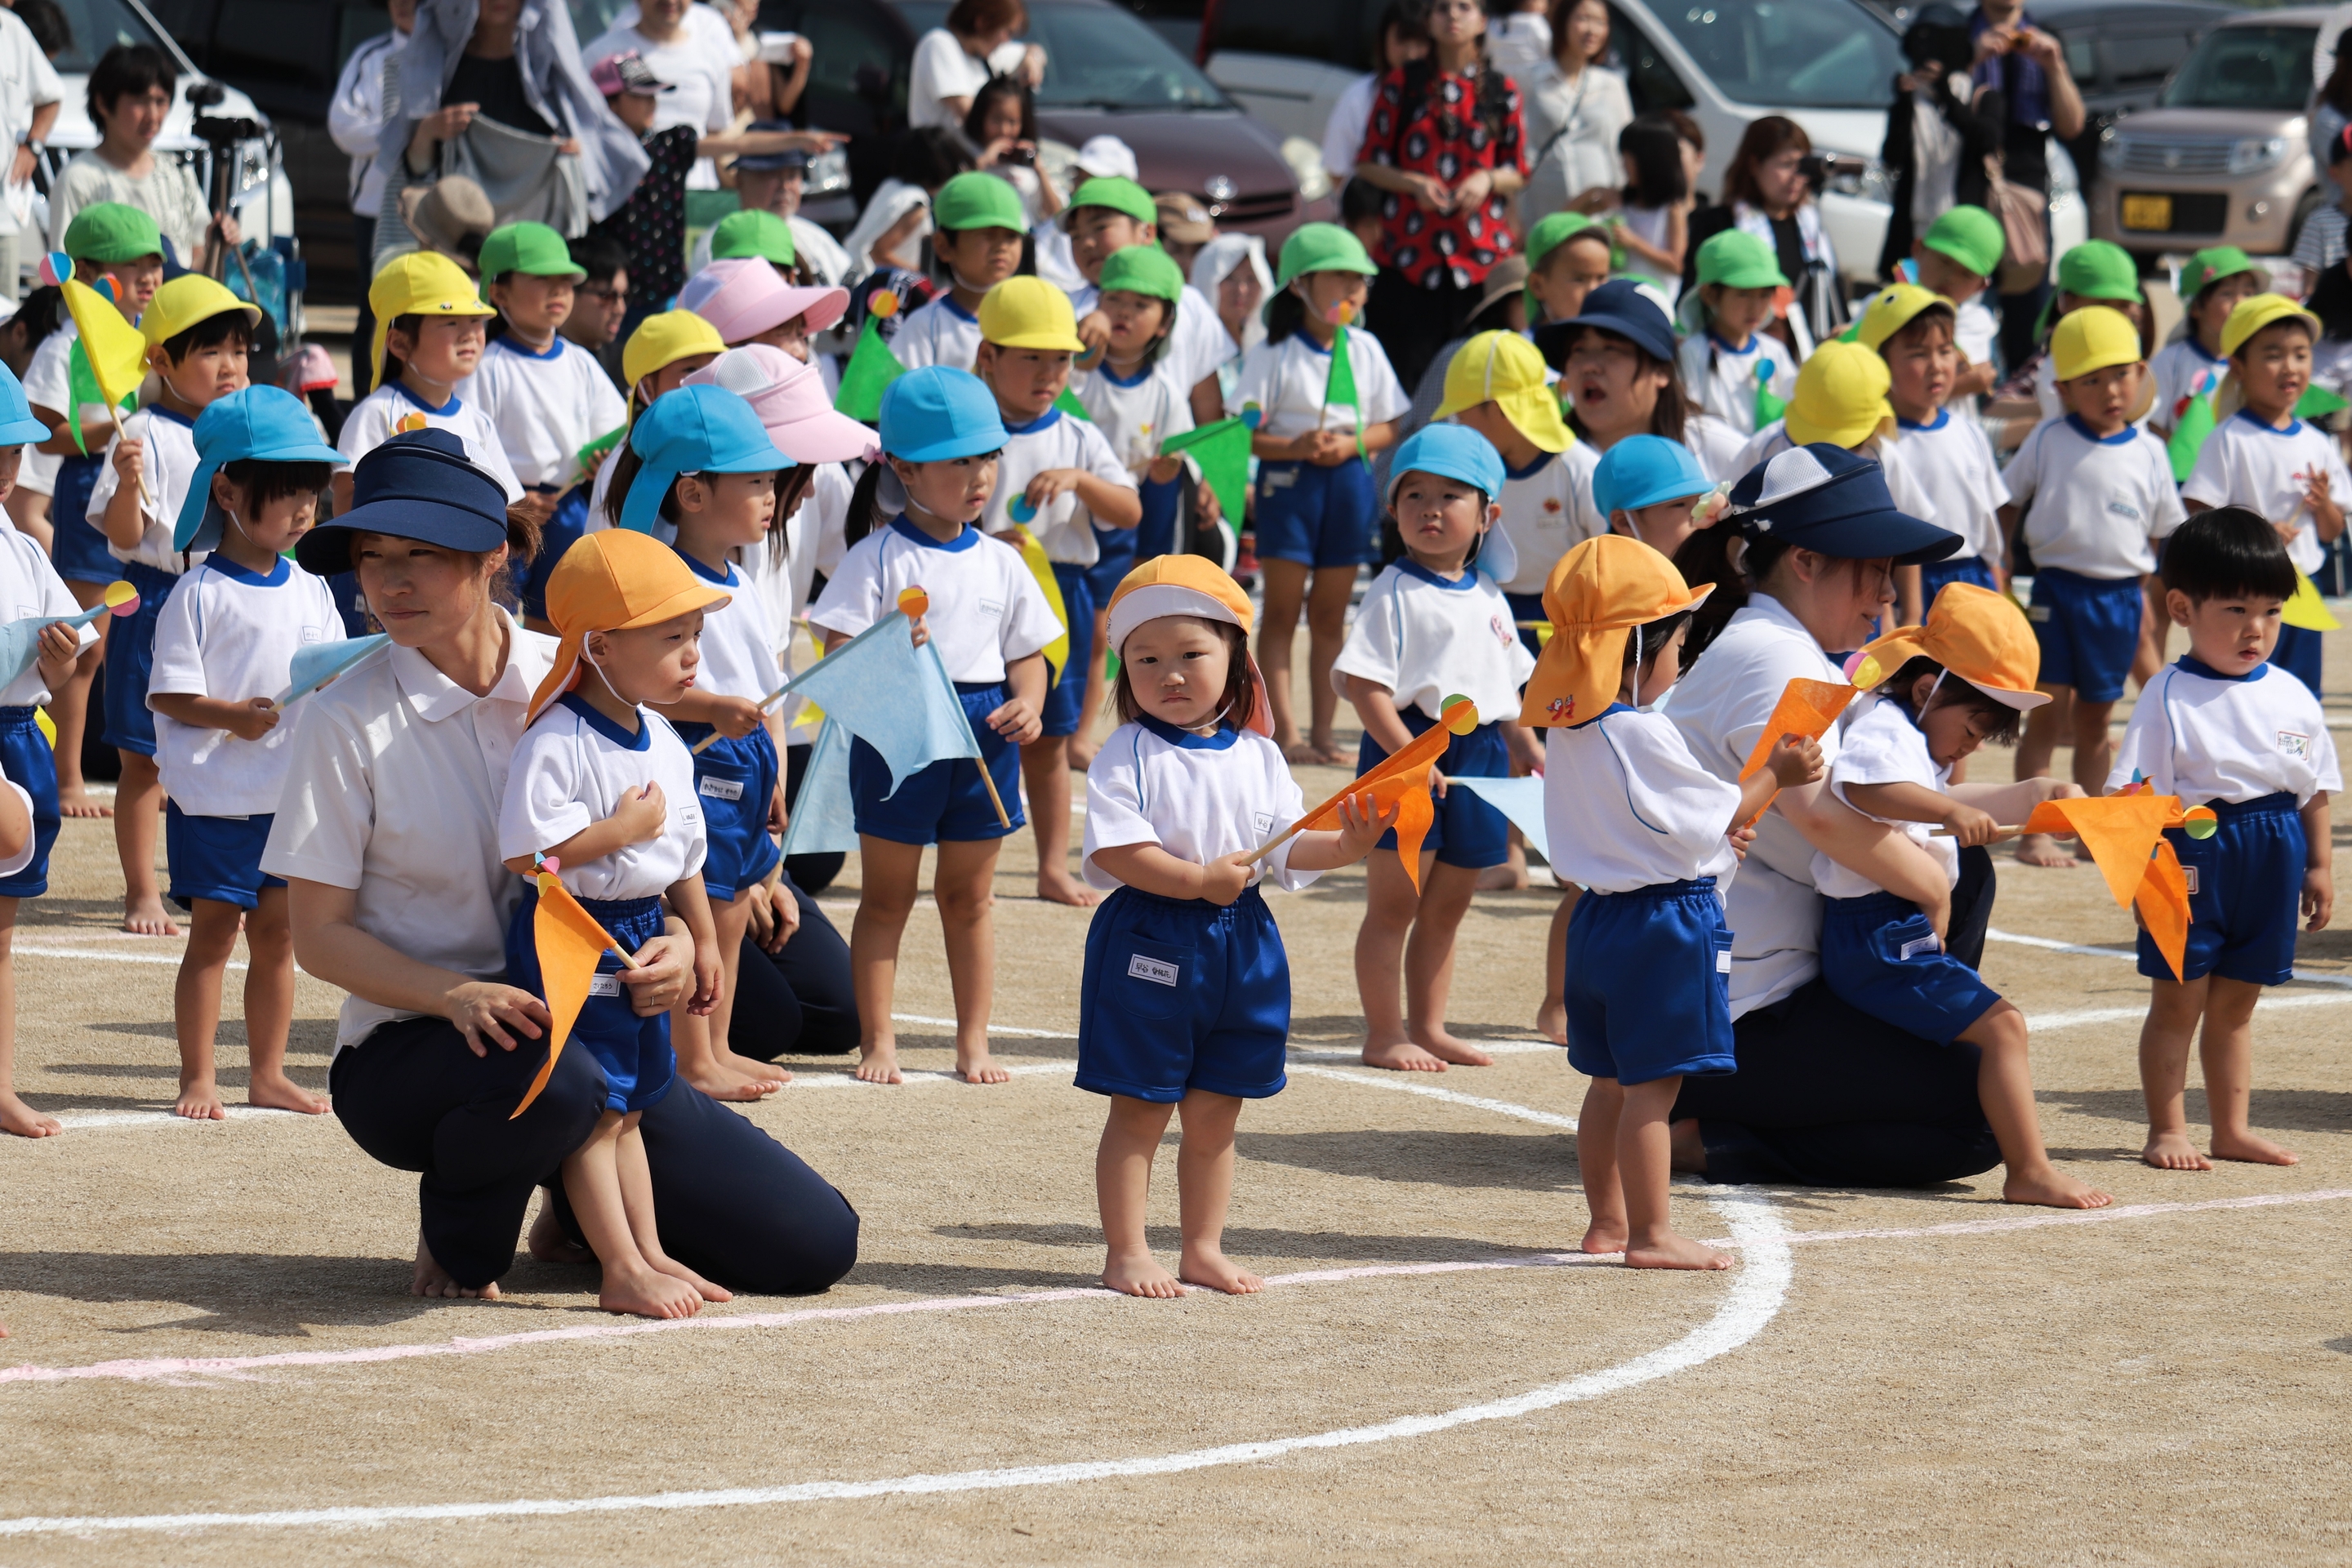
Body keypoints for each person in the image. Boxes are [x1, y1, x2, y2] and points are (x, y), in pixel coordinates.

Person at [265, 427, 858, 1303]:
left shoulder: (582, 668)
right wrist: (452, 995)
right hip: (426, 1047)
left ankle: (577, 1212)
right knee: (552, 1076)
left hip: (604, 1015)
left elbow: (667, 840)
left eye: (423, 556)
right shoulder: (341, 717)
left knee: (813, 1246)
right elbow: (316, 939)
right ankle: (467, 1223)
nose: (390, 581)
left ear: (492, 556)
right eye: (371, 555)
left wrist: (687, 947)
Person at [1664, 443, 2036, 1192]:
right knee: (1973, 1117)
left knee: (1970, 882)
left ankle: (1726, 1119)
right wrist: (1932, 887)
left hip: (1764, 987)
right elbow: (1825, 819)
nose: (1887, 597)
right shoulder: (1775, 657)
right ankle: (1704, 1138)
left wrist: (2034, 804)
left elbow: (1863, 808)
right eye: (1873, 570)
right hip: (1736, 1015)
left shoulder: (1783, 647)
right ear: (1804, 561)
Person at [1080, 555, 1392, 1295]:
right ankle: (1126, 1251)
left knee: (1219, 1107)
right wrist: (1193, 881)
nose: (1171, 674)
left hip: (1242, 938)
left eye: (1192, 654)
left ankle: (1202, 1246)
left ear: (1235, 658)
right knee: (1142, 1105)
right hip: (1152, 938)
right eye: (1147, 659)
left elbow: (1284, 845)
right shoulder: (1129, 749)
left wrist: (1348, 844)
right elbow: (1119, 850)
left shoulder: (1259, 753)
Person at [1534, 533, 1821, 1267]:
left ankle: (1606, 1222)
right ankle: (1651, 1234)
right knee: (1653, 1095)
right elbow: (1719, 810)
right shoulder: (1640, 729)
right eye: (1677, 644)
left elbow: (1651, 829)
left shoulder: (1569, 728)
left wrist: (1721, 846)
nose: (1682, 660)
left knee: (1607, 1084)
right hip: (1662, 928)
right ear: (1635, 650)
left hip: (1598, 919)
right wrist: (1778, 773)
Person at [500, 528, 735, 1320]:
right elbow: (528, 862)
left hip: (642, 929)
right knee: (596, 1111)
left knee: (632, 1109)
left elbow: (688, 856)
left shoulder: (663, 736)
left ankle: (648, 1252)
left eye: (695, 635)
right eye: (672, 637)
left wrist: (702, 939)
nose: (692, 653)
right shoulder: (557, 739)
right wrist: (617, 834)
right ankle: (620, 1268)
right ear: (598, 646)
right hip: (573, 936)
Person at [1815, 587, 2109, 1207]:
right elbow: (1864, 788)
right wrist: (1949, 806)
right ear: (1927, 691)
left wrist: (2041, 794)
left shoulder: (1910, 733)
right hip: (1876, 933)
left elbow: (1929, 803)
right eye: (1972, 732)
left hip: (1888, 929)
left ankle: (2028, 1166)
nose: (1969, 751)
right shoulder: (1887, 727)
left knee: (1996, 1029)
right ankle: (2029, 1171)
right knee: (2003, 1027)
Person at [808, 368, 1059, 1086]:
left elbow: (1028, 655)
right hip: (899, 738)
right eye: (959, 460)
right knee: (886, 898)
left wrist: (1030, 705)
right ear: (903, 467)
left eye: (987, 457)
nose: (979, 476)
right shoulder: (875, 556)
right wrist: (888, 650)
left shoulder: (1005, 560)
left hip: (986, 734)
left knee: (970, 899)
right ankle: (878, 1040)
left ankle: (973, 1041)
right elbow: (836, 654)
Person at [2110, 507, 2338, 1171]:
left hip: (2274, 847)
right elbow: (2135, 794)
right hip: (2193, 852)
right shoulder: (2168, 693)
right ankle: (2168, 1129)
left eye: (2271, 610)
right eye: (2237, 608)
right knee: (2179, 1001)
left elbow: (2313, 788)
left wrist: (2319, 867)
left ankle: (2231, 1128)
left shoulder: (2294, 692)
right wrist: (2143, 874)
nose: (2256, 629)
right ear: (2181, 607)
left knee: (2238, 1005)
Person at [146, 386, 348, 1122]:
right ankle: (197, 1076)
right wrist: (233, 717)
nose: (303, 510)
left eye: (311, 494)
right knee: (212, 936)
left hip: (287, 799)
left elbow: (330, 671)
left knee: (279, 935)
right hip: (216, 800)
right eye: (285, 493)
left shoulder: (311, 587)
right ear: (226, 491)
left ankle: (267, 1074)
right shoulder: (195, 594)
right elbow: (168, 696)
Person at [604, 384, 798, 1102]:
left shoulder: (745, 580)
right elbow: (646, 687)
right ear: (691, 492)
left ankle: (715, 1045)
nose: (771, 496)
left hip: (748, 763)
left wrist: (775, 773)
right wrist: (717, 706)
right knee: (701, 910)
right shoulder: (663, 580)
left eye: (771, 482)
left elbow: (769, 684)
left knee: (735, 907)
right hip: (700, 762)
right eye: (755, 482)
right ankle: (693, 1057)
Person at [1335, 425, 1538, 1071]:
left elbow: (1507, 684)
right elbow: (1366, 688)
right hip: (1406, 757)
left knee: (1450, 902)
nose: (1429, 508)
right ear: (1392, 511)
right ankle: (1383, 1031)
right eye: (1413, 495)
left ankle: (1429, 1025)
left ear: (1487, 515)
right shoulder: (1392, 590)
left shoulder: (1489, 594)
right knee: (1395, 904)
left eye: (1451, 496)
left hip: (1477, 763)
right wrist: (1409, 759)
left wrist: (1523, 738)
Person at [89, 277, 265, 940]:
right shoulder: (143, 431)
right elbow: (125, 538)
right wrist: (129, 485)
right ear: (161, 361)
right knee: (144, 756)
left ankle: (209, 878)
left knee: (218, 744)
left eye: (240, 351)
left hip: (227, 598)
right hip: (156, 596)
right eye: (210, 351)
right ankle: (142, 889)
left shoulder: (248, 427)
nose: (231, 366)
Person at [973, 278, 1142, 906]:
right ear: (988, 356)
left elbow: (1128, 509)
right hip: (980, 592)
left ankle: (1049, 866)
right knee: (981, 729)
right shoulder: (968, 424)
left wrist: (1079, 481)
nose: (1050, 373)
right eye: (1032, 357)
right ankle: (973, 868)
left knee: (1046, 741)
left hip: (1058, 595)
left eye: (1062, 359)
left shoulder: (1077, 434)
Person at [2000, 306, 2184, 865]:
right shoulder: (2049, 437)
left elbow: (2163, 535)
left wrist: (2152, 606)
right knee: (2046, 714)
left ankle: (2090, 832)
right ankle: (2034, 831)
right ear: (2062, 388)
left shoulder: (2151, 448)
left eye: (2121, 373)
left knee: (2096, 721)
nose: (2110, 389)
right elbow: (2005, 501)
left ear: (2140, 374)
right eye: (2093, 379)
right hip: (2056, 593)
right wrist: (2002, 565)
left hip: (2121, 599)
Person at [1232, 224, 1407, 762]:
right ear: (1301, 284)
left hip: (1349, 481)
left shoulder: (1367, 346)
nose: (1355, 290)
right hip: (1290, 484)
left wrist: (1348, 444)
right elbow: (1243, 431)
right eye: (1342, 277)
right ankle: (1286, 732)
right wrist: (1295, 446)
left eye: (1361, 280)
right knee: (1282, 612)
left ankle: (1326, 733)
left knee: (1331, 614)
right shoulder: (1273, 351)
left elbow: (1392, 423)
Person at [23, 206, 164, 826]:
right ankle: (69, 774)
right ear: (87, 272)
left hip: (122, 496)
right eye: (132, 263)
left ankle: (74, 768)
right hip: (85, 500)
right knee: (81, 648)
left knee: (102, 650)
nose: (149, 275)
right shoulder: (67, 344)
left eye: (155, 260)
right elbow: (43, 428)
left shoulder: (136, 342)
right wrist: (117, 426)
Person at [0, 360, 96, 1139]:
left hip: (17, 732)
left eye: (11, 452)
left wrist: (59, 658)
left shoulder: (21, 543)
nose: (6, 469)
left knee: (1, 938)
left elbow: (61, 652)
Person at [1352, 0, 1530, 390]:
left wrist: (1486, 179)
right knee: (1406, 381)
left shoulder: (1502, 90)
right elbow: (1367, 162)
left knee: (1480, 381)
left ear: (1482, 21)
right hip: (1410, 255)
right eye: (1441, 8)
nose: (1452, 15)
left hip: (1480, 258)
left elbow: (1517, 170)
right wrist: (1412, 184)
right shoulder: (1403, 84)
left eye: (1464, 7)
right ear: (1429, 22)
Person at [457, 224, 626, 630]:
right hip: (507, 513)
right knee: (495, 620)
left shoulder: (580, 360)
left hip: (569, 508)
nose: (558, 291)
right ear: (498, 292)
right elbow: (468, 445)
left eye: (565, 281)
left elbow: (618, 427)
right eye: (542, 280)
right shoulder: (487, 364)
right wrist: (513, 500)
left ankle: (549, 693)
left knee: (560, 620)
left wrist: (603, 459)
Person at [2181, 294, 2350, 698]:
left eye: (2300, 354)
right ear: (2238, 367)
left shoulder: (2319, 442)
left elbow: (2331, 531)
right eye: (2273, 355)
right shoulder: (2228, 439)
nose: (2290, 367)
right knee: (2243, 696)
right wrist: (2255, 535)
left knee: (2299, 699)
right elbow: (2199, 515)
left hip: (2302, 595)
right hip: (2245, 598)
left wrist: (2324, 504)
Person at [381, 0, 649, 249]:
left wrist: (570, 159)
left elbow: (582, 185)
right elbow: (413, 172)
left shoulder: (549, 82)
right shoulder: (436, 73)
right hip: (453, 244)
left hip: (524, 252)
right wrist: (429, 130)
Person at [1069, 246, 1198, 762]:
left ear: (1165, 322)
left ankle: (1081, 732)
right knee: (1061, 628)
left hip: (1123, 524)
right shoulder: (1078, 372)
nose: (1122, 312)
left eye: (1140, 305)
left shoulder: (1164, 391)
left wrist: (1173, 468)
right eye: (1113, 299)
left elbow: (1176, 461)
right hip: (1068, 516)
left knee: (1101, 633)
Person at [1433, 329, 1598, 654]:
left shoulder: (1580, 469)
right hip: (1491, 621)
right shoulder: (1470, 474)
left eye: (1462, 413)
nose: (1458, 424)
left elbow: (1611, 560)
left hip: (1570, 630)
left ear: (1498, 408)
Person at [1856, 284, 2009, 635]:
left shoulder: (1970, 432)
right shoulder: (1876, 444)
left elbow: (1989, 525)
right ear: (1880, 362)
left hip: (1972, 581)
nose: (1937, 366)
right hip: (1905, 587)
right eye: (1918, 353)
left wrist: (1998, 586)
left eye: (1945, 350)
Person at [335, 252, 524, 522]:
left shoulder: (478, 422)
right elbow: (346, 500)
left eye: (475, 320)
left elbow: (507, 504)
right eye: (450, 322)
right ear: (399, 343)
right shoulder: (377, 412)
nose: (469, 333)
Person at [1728, 340, 1943, 555]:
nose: (1833, 455)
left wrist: (1905, 591)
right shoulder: (1766, 447)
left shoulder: (1882, 455)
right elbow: (1729, 517)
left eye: (1850, 445)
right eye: (1815, 444)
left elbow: (1908, 527)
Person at [1967, 0, 2086, 372]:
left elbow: (2072, 125)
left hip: (2028, 198)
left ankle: (2020, 396)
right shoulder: (1956, 35)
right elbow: (1942, 111)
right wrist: (1972, 59)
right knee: (1970, 306)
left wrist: (2054, 66)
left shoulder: (2047, 36)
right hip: (1971, 191)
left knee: (2029, 311)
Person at [1061, 176, 1232, 430]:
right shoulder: (1062, 306)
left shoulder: (1188, 303)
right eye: (1075, 236)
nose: (1086, 243)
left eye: (1100, 228)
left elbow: (1207, 402)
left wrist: (1212, 466)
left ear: (1147, 232)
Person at [46, 44, 225, 266]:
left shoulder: (179, 173)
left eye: (161, 101)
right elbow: (64, 269)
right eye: (140, 101)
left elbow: (196, 259)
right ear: (102, 102)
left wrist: (218, 245)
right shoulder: (79, 179)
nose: (153, 116)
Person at [1544, 278, 1735, 482]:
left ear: (1661, 371)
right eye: (1578, 350)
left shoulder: (1717, 451)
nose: (1589, 366)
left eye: (1611, 350)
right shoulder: (1545, 463)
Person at [1684, 117, 1841, 350]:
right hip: (1733, 353)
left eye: (1803, 167)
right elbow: (1697, 294)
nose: (1797, 178)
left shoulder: (1810, 225)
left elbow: (1830, 295)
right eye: (1786, 165)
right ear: (1754, 165)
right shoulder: (1719, 222)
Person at [1878, 2, 2005, 281]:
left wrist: (1945, 95)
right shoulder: (1912, 100)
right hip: (1914, 234)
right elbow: (1891, 157)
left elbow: (1986, 139)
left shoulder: (1980, 97)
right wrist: (1902, 103)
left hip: (1964, 234)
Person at [331, 0, 416, 392]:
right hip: (375, 208)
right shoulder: (371, 56)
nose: (406, 5)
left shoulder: (455, 54)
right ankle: (367, 401)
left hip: (433, 213)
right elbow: (342, 124)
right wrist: (401, 135)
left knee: (428, 307)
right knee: (375, 309)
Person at [584, 0, 737, 189]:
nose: (670, 1)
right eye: (639, 96)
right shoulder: (599, 55)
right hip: (621, 195)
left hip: (696, 196)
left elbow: (718, 132)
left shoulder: (712, 57)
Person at [894, 172, 1031, 372]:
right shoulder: (926, 327)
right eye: (988, 235)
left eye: (1011, 236)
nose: (1002, 247)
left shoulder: (1031, 317)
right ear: (943, 246)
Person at [1676, 230, 1799, 443]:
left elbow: (1792, 403)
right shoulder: (1693, 352)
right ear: (1710, 294)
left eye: (1764, 295)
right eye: (1744, 294)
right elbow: (1690, 423)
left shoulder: (1774, 351)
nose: (1756, 307)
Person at [1519, 0, 1629, 225]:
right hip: (1542, 206)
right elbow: (1519, 145)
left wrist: (1624, 199)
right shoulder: (1531, 80)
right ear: (1562, 23)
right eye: (1583, 18)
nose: (1592, 30)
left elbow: (1623, 148)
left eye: (1601, 22)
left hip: (1599, 210)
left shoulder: (1612, 84)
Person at [2022, 241, 2149, 426]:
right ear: (2065, 302)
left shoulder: (2130, 341)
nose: (2111, 317)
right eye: (2101, 305)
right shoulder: (2058, 359)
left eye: (2122, 305)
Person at [1321, 0, 1432, 186]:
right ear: (1383, 38)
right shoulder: (1357, 97)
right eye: (1402, 40)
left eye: (1421, 42)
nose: (1411, 53)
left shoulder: (1448, 98)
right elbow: (1337, 172)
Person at [842, 128, 973, 278]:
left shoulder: (892, 185)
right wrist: (923, 277)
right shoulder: (916, 206)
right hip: (877, 286)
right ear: (942, 166)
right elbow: (879, 253)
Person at [0, 0, 62, 310]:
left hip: (2, 221)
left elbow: (51, 96)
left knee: (4, 326)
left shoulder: (11, 29)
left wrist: (33, 146)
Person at [1909, 205, 2006, 402]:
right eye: (1944, 261)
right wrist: (1966, 384)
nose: (1951, 277)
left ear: (1981, 286)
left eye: (1966, 274)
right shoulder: (1881, 307)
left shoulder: (1975, 322)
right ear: (1918, 250)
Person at [909, 0, 1046, 132]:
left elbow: (1034, 50)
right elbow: (972, 116)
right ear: (983, 23)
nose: (1007, 41)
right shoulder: (939, 44)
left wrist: (1032, 59)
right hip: (938, 155)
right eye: (1007, 32)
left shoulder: (984, 56)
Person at [1601, 118, 1689, 306]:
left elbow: (1676, 264)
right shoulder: (1622, 202)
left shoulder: (1672, 209)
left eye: (1629, 158)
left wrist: (1634, 242)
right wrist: (1593, 197)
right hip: (1619, 294)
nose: (1623, 165)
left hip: (1654, 300)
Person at [965, 74, 1063, 228]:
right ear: (981, 119)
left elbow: (1056, 214)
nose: (1004, 131)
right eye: (996, 120)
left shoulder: (1029, 166)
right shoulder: (970, 158)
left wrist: (1039, 170)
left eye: (1012, 122)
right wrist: (983, 162)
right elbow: (959, 197)